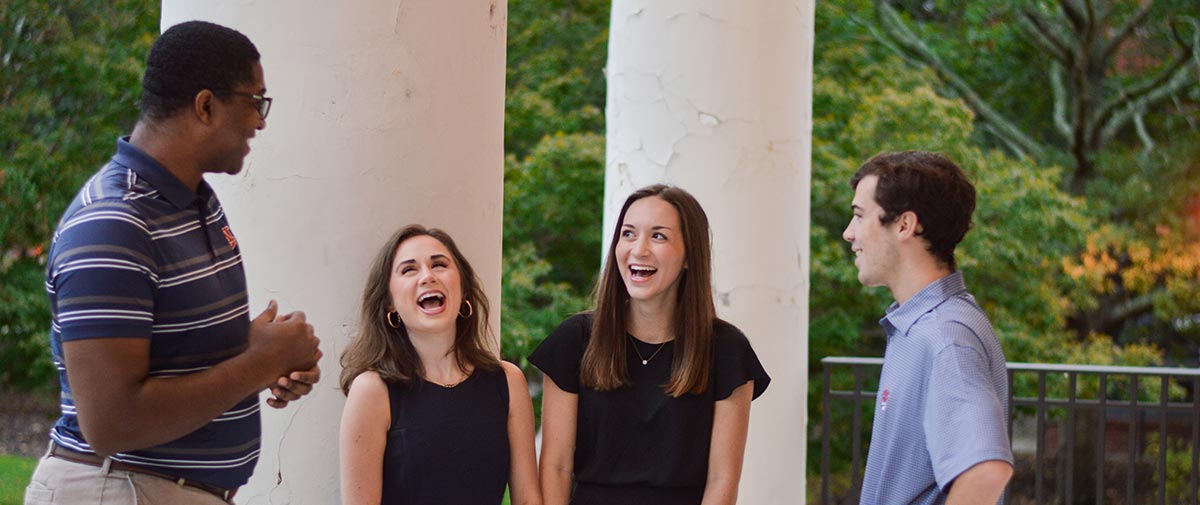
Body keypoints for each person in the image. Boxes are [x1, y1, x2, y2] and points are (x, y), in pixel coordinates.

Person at [25, 21, 322, 505]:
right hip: (116, 488)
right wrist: (258, 362)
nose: (261, 122)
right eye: (255, 101)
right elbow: (113, 421)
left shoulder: (193, 202)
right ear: (206, 105)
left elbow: (172, 353)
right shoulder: (113, 223)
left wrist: (267, 354)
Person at [532, 184, 770, 505]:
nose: (639, 249)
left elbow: (722, 480)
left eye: (658, 236)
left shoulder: (728, 351)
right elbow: (556, 466)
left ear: (689, 256)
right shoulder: (574, 340)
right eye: (628, 234)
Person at [843, 151, 1013, 504]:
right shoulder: (920, 327)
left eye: (860, 216)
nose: (849, 233)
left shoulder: (946, 337)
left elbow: (986, 471)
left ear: (905, 225)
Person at [338, 225, 540, 505]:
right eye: (409, 270)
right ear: (389, 304)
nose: (427, 276)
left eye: (439, 265)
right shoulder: (372, 391)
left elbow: (528, 500)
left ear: (464, 289)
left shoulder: (508, 381)